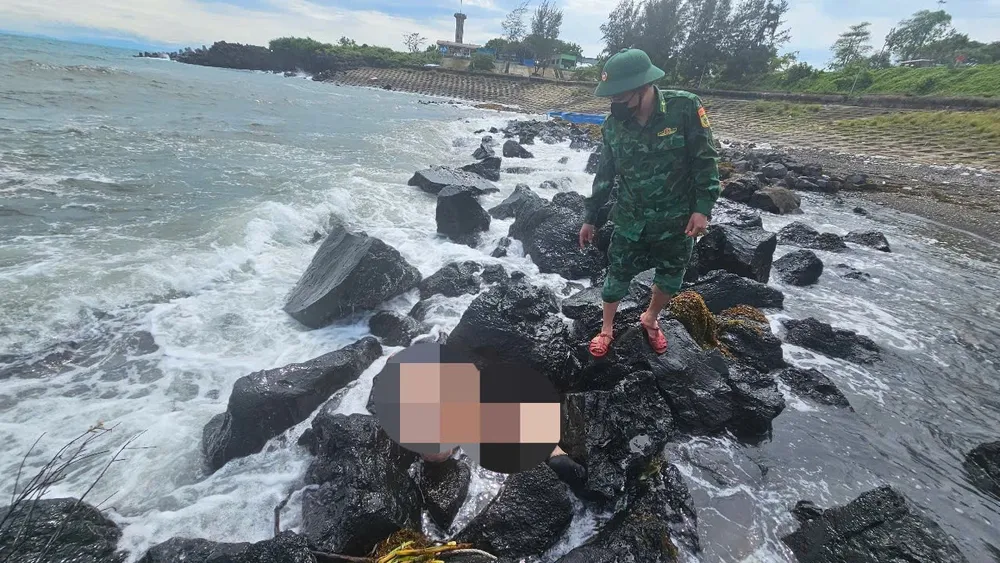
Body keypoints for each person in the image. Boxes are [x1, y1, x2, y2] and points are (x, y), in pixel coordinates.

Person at [579, 48, 721, 358]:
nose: (614, 103)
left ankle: (650, 318)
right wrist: (590, 217)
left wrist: (703, 208)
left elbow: (705, 160)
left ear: (643, 87)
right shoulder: (613, 126)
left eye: (620, 96)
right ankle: (606, 329)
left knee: (670, 277)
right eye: (611, 97)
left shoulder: (685, 107)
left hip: (677, 219)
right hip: (630, 217)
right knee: (616, 276)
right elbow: (605, 175)